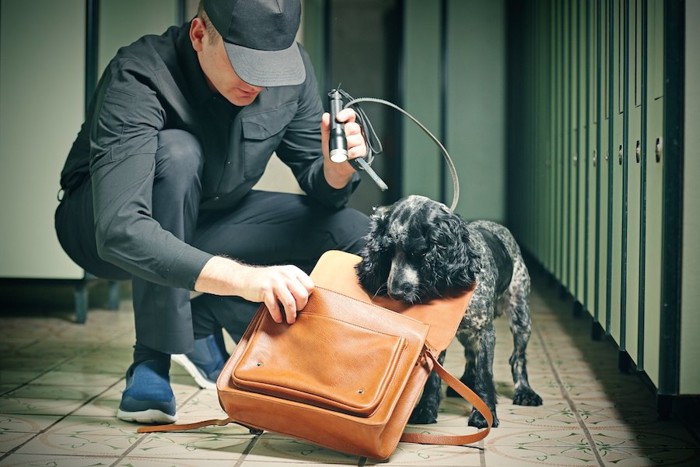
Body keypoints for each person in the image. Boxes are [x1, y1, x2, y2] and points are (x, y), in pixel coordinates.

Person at [54, 0, 369, 424]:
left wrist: (336, 169)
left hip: (212, 216)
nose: (259, 82)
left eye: (270, 67)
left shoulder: (291, 72)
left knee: (349, 229)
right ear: (200, 34)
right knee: (177, 153)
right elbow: (120, 228)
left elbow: (322, 189)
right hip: (99, 227)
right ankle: (153, 357)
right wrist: (245, 280)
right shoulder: (139, 73)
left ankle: (206, 322)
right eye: (245, 64)